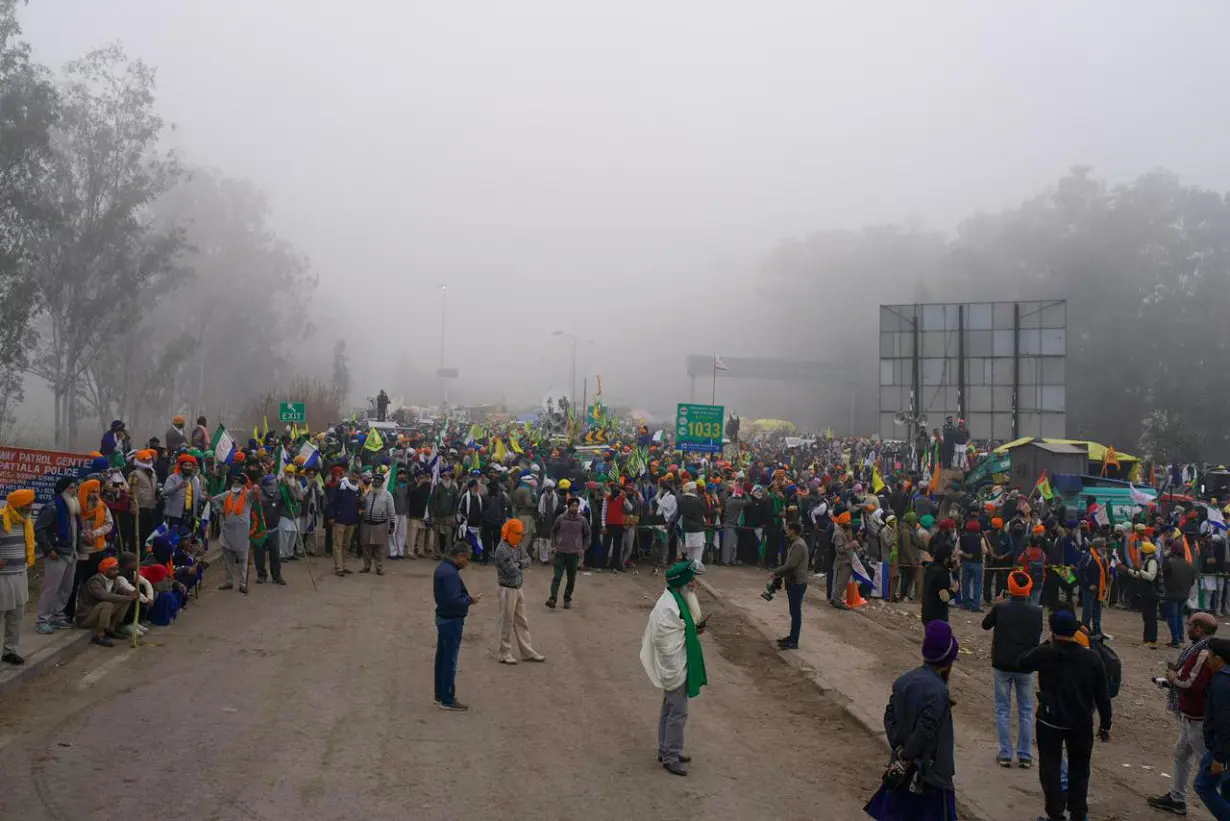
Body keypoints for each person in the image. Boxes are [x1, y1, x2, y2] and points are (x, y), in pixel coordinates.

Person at [1018, 609, 1113, 821]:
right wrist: (1106, 723)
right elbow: (1102, 695)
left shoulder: (1045, 653)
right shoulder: (1092, 658)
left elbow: (1022, 662)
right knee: (1080, 769)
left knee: (1050, 767)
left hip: (1050, 720)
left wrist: (1044, 644)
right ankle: (1078, 813)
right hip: (1081, 721)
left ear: (1052, 629)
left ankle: (1055, 813)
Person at [864, 620, 959, 821]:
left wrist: (899, 749)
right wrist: (908, 755)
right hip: (929, 776)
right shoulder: (939, 692)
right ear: (948, 660)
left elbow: (889, 716)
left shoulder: (904, 681)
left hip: (902, 774)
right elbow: (926, 730)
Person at [640, 560, 708, 777]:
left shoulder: (676, 599)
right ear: (683, 583)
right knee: (678, 711)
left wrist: (693, 630)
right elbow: (665, 638)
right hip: (674, 666)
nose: (694, 584)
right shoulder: (668, 606)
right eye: (692, 581)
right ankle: (670, 755)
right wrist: (689, 631)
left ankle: (666, 749)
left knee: (670, 708)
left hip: (678, 664)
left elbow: (681, 627)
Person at [1148, 611, 1220, 816]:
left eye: (1189, 624)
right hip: (1191, 715)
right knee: (1181, 755)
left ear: (1198, 629)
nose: (1186, 627)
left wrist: (1172, 678)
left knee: (1207, 765)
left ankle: (1224, 805)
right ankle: (1177, 798)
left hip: (1198, 719)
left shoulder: (1203, 653)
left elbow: (1191, 684)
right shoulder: (1200, 649)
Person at [981, 570, 1043, 768]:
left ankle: (1006, 753)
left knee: (1002, 709)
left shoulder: (1001, 608)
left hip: (1002, 664)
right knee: (1026, 710)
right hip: (1025, 665)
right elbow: (1036, 635)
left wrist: (997, 604)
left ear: (1010, 586)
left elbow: (985, 625)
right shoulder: (1036, 611)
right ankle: (1025, 755)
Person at [433, 543, 481, 711]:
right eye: (466, 559)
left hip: (442, 618)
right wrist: (470, 600)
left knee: (441, 658)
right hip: (451, 620)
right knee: (449, 661)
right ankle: (447, 697)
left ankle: (440, 694)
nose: (467, 562)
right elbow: (454, 600)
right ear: (459, 556)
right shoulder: (451, 574)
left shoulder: (443, 569)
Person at [492, 519, 545, 665]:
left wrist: (519, 564)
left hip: (517, 588)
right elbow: (512, 570)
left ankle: (527, 651)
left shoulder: (515, 545)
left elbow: (527, 560)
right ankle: (504, 652)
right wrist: (521, 565)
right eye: (517, 533)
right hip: (506, 589)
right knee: (506, 623)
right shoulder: (502, 549)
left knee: (522, 621)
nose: (520, 536)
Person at [34, 476, 79, 634]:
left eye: (75, 488)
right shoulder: (52, 507)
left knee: (66, 587)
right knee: (51, 588)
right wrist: (48, 549)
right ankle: (43, 619)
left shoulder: (72, 508)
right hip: (57, 553)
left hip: (71, 552)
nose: (75, 491)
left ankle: (57, 615)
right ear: (63, 490)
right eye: (72, 488)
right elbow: (39, 529)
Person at [1194, 637, 1230, 819]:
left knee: (1203, 785)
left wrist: (1219, 757)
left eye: (1209, 654)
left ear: (1218, 658)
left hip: (1223, 748)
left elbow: (1225, 723)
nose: (1207, 658)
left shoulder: (1222, 682)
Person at [0, 489, 35, 664]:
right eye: (27, 505)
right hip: (2, 577)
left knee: (16, 615)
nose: (30, 508)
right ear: (18, 505)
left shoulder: (25, 522)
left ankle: (9, 651)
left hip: (20, 573)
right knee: (1, 614)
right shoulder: (1, 520)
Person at [75, 555, 138, 647]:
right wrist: (127, 597)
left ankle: (112, 628)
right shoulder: (95, 581)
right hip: (87, 616)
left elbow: (122, 591)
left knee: (124, 601)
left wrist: (131, 593)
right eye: (113, 569)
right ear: (105, 570)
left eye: (117, 569)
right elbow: (104, 596)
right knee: (107, 604)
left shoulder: (114, 580)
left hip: (100, 612)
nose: (116, 572)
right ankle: (100, 634)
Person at [212, 470, 258, 593]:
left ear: (243, 484)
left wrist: (255, 488)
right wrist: (219, 510)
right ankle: (229, 581)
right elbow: (214, 500)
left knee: (243, 559)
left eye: (238, 483)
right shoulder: (228, 494)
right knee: (228, 558)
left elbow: (254, 494)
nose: (235, 485)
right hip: (228, 530)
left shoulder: (248, 495)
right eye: (234, 483)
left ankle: (243, 583)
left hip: (242, 533)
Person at [771, 520, 809, 650]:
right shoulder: (796, 543)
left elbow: (792, 565)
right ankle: (792, 638)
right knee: (794, 612)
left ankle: (794, 641)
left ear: (793, 530)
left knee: (795, 612)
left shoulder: (798, 545)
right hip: (794, 581)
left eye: (788, 529)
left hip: (797, 582)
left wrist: (777, 572)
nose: (786, 531)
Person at [547, 496, 590, 610]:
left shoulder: (582, 520)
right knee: (557, 577)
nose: (574, 508)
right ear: (568, 506)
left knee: (571, 579)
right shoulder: (561, 518)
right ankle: (553, 599)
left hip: (574, 553)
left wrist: (583, 548)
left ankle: (567, 599)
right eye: (572, 506)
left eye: (576, 506)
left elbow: (587, 535)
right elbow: (553, 531)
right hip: (561, 552)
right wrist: (554, 545)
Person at [1126, 540, 1162, 648]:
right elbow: (1141, 574)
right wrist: (1128, 570)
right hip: (1146, 593)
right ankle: (1146, 639)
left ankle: (1151, 640)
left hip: (1151, 593)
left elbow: (1150, 576)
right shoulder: (1148, 561)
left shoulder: (1152, 562)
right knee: (1147, 617)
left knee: (1150, 617)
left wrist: (1139, 571)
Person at [1163, 540, 1197, 649]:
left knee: (1172, 617)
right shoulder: (1189, 564)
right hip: (1184, 594)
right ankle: (1180, 636)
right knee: (1179, 616)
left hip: (1172, 593)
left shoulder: (1169, 562)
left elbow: (1164, 576)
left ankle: (1175, 640)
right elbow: (1192, 581)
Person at [360, 472, 395, 575]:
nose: (376, 483)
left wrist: (392, 524)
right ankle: (366, 566)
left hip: (380, 525)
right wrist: (361, 500)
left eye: (379, 481)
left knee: (379, 548)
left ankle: (379, 568)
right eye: (375, 481)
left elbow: (391, 511)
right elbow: (362, 507)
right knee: (366, 547)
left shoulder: (387, 495)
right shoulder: (368, 493)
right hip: (367, 523)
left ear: (382, 483)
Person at [329, 469, 361, 577]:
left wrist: (356, 520)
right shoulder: (340, 485)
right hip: (339, 520)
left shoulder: (357, 490)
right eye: (353, 476)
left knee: (346, 545)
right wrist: (331, 516)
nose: (355, 479)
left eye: (357, 477)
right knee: (338, 544)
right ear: (349, 475)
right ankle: (338, 567)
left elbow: (357, 507)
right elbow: (332, 501)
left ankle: (343, 565)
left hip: (351, 521)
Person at [922, 544, 960, 625]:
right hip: (938, 617)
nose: (955, 559)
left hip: (927, 613)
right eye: (953, 557)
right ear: (946, 558)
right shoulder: (942, 573)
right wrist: (954, 590)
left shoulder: (930, 568)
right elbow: (944, 597)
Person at [429, 469, 459, 560]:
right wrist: (432, 515)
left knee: (449, 536)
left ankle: (448, 554)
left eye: (448, 476)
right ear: (442, 477)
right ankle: (437, 554)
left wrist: (454, 515)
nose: (446, 477)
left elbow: (455, 503)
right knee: (436, 536)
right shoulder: (437, 487)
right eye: (445, 476)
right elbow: (432, 501)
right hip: (438, 516)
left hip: (449, 516)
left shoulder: (454, 488)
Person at [830, 510, 856, 610]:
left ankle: (837, 599)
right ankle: (836, 600)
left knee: (843, 582)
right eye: (847, 523)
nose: (849, 525)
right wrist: (851, 545)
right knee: (840, 583)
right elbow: (839, 549)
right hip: (842, 562)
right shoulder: (838, 534)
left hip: (847, 561)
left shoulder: (844, 531)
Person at [957, 519, 985, 612]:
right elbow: (984, 550)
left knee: (965, 584)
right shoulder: (980, 538)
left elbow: (958, 549)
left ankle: (965, 604)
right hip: (977, 563)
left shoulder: (961, 537)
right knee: (977, 584)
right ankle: (976, 605)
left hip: (965, 563)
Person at [405, 471, 432, 559]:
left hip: (423, 514)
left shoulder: (427, 485)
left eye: (423, 477)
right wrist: (419, 484)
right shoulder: (412, 485)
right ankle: (410, 552)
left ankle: (421, 551)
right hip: (413, 514)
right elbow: (411, 495)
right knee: (412, 534)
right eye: (420, 477)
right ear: (416, 478)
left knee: (422, 534)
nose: (423, 479)